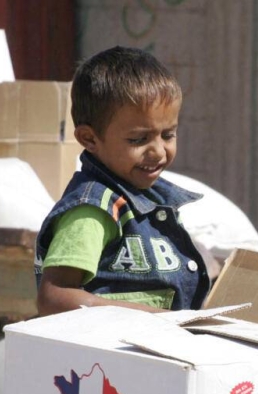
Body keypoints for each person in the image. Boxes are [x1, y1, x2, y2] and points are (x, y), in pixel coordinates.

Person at [35, 46, 209, 316]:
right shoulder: (92, 210)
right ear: (89, 138)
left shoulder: (154, 199)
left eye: (168, 135)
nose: (158, 151)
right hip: (112, 345)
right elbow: (54, 297)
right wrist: (161, 320)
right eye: (138, 139)